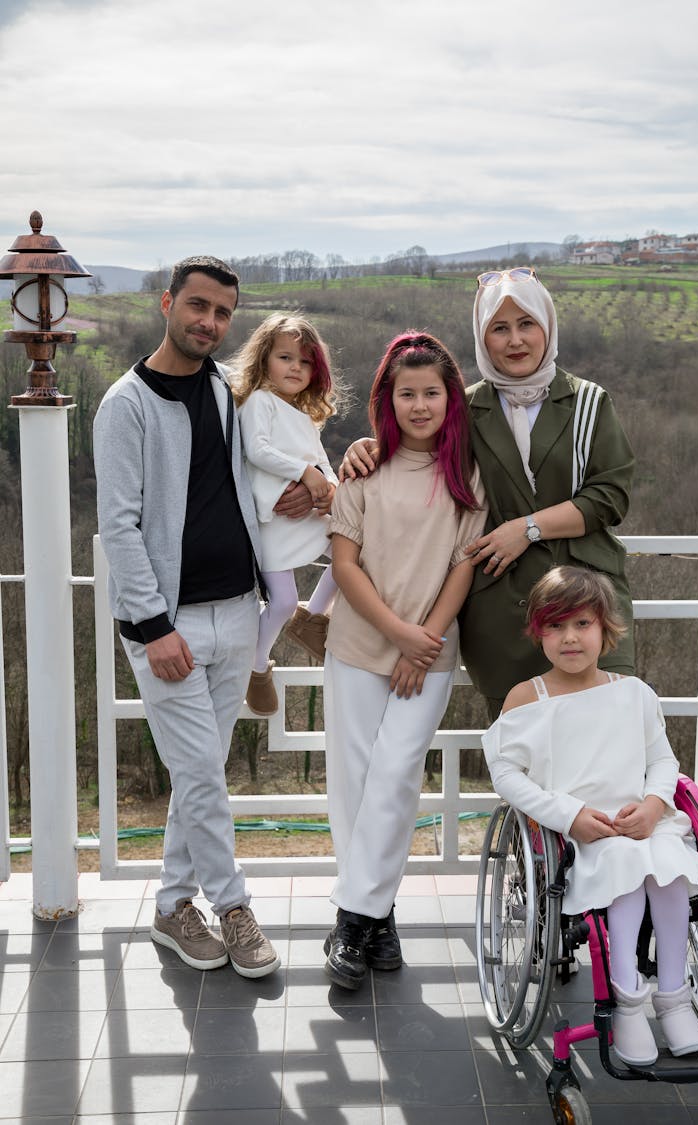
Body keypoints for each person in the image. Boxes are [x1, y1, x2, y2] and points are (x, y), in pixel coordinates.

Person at [93, 256, 280, 979]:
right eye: (197, 306)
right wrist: (151, 626)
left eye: (222, 313)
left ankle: (174, 904)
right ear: (167, 302)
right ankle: (234, 907)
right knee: (202, 768)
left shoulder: (227, 393)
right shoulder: (126, 405)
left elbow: (261, 465)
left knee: (199, 775)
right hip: (167, 626)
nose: (208, 322)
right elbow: (120, 526)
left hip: (237, 612)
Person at [341, 267, 635, 718]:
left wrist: (528, 528)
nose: (515, 340)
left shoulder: (590, 402)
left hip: (588, 602)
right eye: (499, 328)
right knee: (523, 753)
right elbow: (417, 445)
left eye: (526, 324)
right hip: (504, 613)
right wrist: (367, 447)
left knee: (607, 738)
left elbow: (610, 496)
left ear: (547, 327)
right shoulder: (467, 408)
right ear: (483, 337)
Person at [482, 566, 698, 1065]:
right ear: (537, 632)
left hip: (643, 822)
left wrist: (654, 805)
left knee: (669, 873)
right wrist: (569, 814)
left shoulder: (634, 693)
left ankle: (674, 997)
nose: (569, 638)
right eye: (555, 626)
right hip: (580, 835)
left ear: (606, 630)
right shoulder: (527, 698)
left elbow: (663, 761)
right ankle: (628, 1004)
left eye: (582, 624)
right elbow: (506, 775)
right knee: (625, 874)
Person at [323, 332, 488, 990]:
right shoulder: (362, 469)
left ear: (451, 398)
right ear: (386, 400)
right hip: (360, 647)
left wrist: (426, 640)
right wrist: (398, 632)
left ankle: (350, 920)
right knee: (355, 785)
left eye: (432, 392)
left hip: (430, 653)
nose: (420, 405)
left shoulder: (466, 474)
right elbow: (343, 564)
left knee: (394, 776)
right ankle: (378, 917)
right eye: (407, 393)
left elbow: (464, 566)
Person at [232, 313, 340, 716]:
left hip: (311, 512)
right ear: (264, 361)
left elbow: (323, 463)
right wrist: (304, 473)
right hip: (275, 520)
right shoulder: (259, 403)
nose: (296, 368)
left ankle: (313, 619)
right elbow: (258, 450)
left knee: (355, 554)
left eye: (306, 361)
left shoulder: (306, 416)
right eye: (285, 357)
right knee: (280, 601)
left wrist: (330, 489)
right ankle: (255, 667)